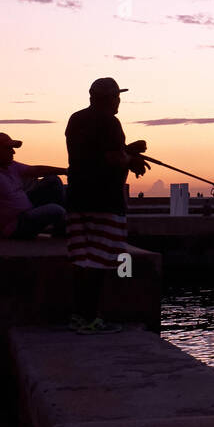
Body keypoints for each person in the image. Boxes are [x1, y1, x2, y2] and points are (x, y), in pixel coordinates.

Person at [64, 77, 150, 334]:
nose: (119, 102)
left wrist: (127, 151)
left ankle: (79, 317)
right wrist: (131, 160)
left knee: (82, 260)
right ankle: (91, 319)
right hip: (104, 200)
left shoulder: (75, 119)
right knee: (100, 261)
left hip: (77, 198)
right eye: (117, 97)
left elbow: (92, 155)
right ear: (109, 98)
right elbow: (112, 158)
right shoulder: (110, 122)